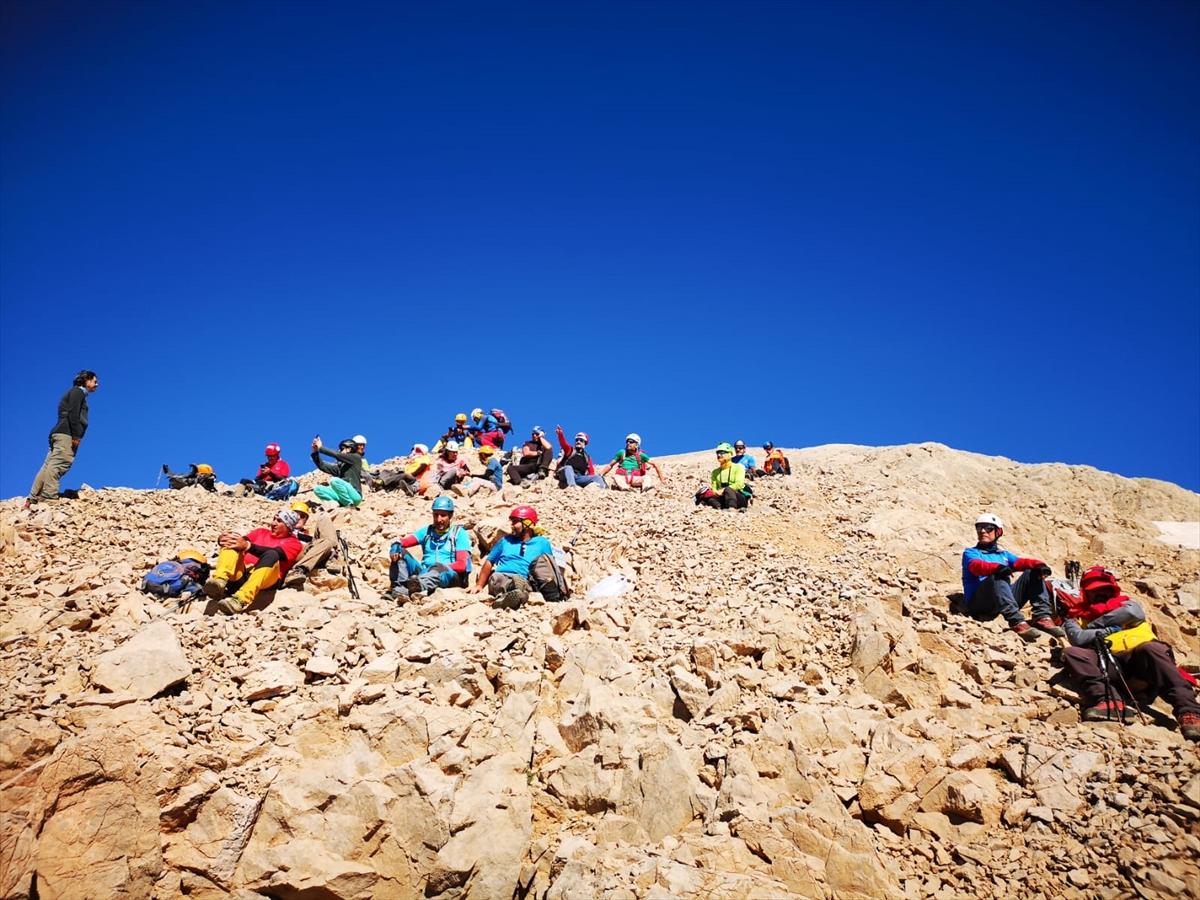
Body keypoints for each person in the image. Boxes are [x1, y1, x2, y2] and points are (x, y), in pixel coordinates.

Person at [1059, 566, 1199, 741]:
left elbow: (1132, 612)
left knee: (1151, 648)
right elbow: (1078, 639)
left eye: (1105, 589)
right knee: (1072, 653)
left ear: (1113, 590)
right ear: (1086, 593)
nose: (1101, 593)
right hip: (1107, 663)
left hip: (1143, 661)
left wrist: (1094, 626)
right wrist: (1109, 629)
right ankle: (1109, 701)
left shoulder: (1128, 604)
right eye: (1094, 590)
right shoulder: (1075, 617)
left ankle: (1189, 712)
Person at [961, 513, 1060, 641]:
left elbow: (1020, 562)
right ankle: (1016, 621)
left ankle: (1042, 617)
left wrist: (1039, 565)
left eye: (988, 528)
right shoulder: (970, 553)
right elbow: (976, 566)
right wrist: (997, 568)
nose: (983, 531)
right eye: (979, 528)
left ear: (998, 532)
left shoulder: (1003, 555)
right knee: (997, 575)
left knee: (1033, 572)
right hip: (979, 604)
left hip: (1001, 602)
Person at [203, 510, 304, 614]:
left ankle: (240, 600)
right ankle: (219, 580)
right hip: (243, 575)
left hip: (265, 583)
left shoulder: (294, 543)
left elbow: (277, 553)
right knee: (233, 544)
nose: (273, 523)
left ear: (288, 526)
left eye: (279, 521)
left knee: (272, 554)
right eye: (274, 519)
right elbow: (241, 542)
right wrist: (224, 539)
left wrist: (248, 546)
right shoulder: (260, 532)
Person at [27, 370, 99, 506]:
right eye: (95, 381)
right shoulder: (78, 392)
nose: (97, 384)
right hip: (66, 434)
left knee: (48, 465)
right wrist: (76, 435)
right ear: (87, 380)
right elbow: (73, 414)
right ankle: (48, 497)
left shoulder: (73, 393)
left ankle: (33, 497)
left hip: (59, 433)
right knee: (59, 463)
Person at [469, 505, 559, 607]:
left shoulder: (542, 543)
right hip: (501, 577)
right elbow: (489, 561)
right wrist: (479, 585)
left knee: (523, 584)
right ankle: (514, 592)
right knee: (501, 579)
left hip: (526, 580)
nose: (512, 525)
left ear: (527, 523)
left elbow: (549, 567)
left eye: (515, 522)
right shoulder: (505, 540)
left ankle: (506, 598)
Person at [388, 496, 473, 602]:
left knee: (438, 566)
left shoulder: (459, 533)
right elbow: (405, 541)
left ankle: (417, 588)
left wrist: (439, 568)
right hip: (424, 573)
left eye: (443, 515)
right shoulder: (427, 531)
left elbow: (462, 565)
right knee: (400, 552)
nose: (439, 519)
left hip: (449, 576)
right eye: (436, 515)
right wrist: (396, 545)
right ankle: (399, 589)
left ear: (450, 515)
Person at [282, 501, 337, 589]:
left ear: (305, 520)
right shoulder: (285, 529)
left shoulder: (305, 533)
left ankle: (332, 555)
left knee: (324, 518)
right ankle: (297, 570)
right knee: (325, 542)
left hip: (311, 551)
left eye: (302, 516)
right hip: (295, 552)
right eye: (295, 514)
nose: (298, 518)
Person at [599, 433, 667, 491]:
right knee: (616, 477)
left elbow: (656, 464)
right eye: (627, 442)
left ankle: (646, 489)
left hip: (635, 478)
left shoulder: (641, 455)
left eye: (631, 442)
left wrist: (662, 479)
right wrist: (601, 475)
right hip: (622, 476)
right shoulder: (621, 452)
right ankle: (625, 488)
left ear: (637, 445)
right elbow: (610, 465)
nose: (628, 443)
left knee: (647, 477)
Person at [310, 437, 364, 507]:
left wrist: (320, 447)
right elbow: (322, 465)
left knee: (334, 481)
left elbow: (337, 455)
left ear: (349, 449)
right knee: (318, 489)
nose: (340, 451)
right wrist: (315, 452)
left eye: (342, 449)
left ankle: (349, 504)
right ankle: (338, 504)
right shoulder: (341, 468)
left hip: (355, 495)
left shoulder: (356, 458)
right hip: (343, 496)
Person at [696, 442, 752, 509]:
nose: (719, 455)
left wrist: (723, 490)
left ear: (730, 454)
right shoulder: (715, 472)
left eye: (722, 452)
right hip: (723, 498)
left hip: (739, 498)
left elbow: (739, 484)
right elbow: (714, 487)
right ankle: (718, 508)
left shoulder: (738, 468)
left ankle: (731, 508)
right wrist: (715, 492)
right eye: (717, 453)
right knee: (706, 497)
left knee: (728, 489)